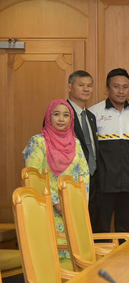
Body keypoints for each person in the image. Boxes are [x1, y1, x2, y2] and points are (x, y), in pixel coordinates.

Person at [24, 100, 90, 264]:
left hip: (72, 211)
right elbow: (33, 177)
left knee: (77, 260)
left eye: (66, 115)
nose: (61, 119)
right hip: (46, 209)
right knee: (50, 262)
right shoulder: (38, 142)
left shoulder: (75, 143)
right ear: (48, 117)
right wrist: (57, 202)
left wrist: (76, 204)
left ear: (71, 120)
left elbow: (84, 175)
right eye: (56, 114)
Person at [88, 68, 129, 233]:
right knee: (101, 228)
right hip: (104, 182)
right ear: (107, 89)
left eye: (125, 87)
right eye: (116, 86)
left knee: (125, 229)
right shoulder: (93, 112)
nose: (121, 91)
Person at [67, 70, 100, 231]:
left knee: (89, 224)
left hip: (92, 179)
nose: (86, 89)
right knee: (74, 225)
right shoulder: (61, 113)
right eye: (81, 85)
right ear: (70, 86)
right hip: (71, 180)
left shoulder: (91, 116)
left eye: (89, 86)